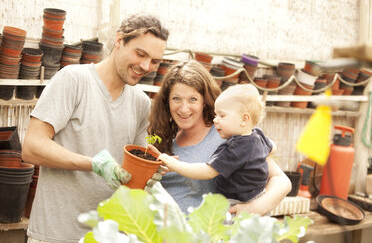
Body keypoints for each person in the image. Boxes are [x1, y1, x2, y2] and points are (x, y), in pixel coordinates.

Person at [21, 14, 169, 243]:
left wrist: (152, 170)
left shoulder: (140, 102)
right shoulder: (74, 80)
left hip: (110, 237)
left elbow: (134, 166)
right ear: (119, 41)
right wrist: (94, 164)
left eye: (155, 61)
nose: (145, 66)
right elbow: (32, 147)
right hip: (57, 234)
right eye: (140, 54)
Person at [148, 60, 291, 215]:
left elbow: (281, 181)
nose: (184, 108)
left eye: (193, 99)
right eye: (176, 99)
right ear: (167, 101)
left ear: (204, 101)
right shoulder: (164, 140)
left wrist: (253, 209)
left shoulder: (229, 134)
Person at [158, 83, 276, 206]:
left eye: (222, 115)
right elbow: (273, 149)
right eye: (215, 115)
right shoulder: (257, 135)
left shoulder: (237, 148)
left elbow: (207, 171)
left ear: (244, 119)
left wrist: (174, 164)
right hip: (257, 195)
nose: (215, 120)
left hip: (236, 203)